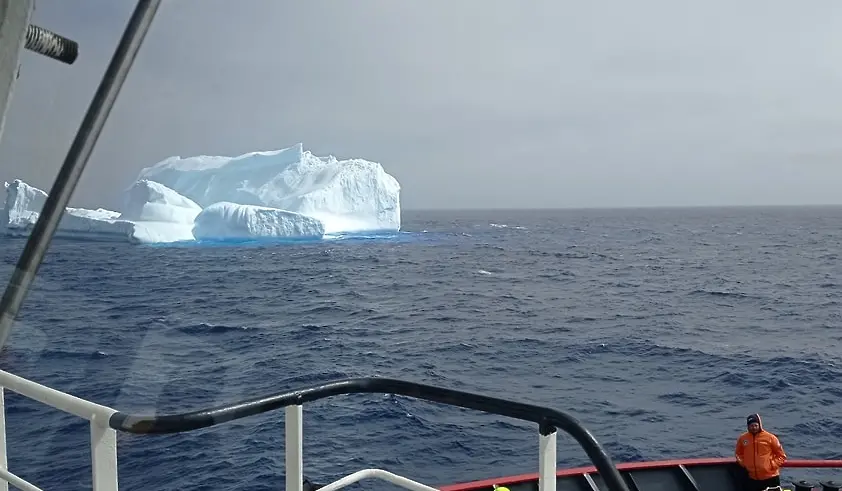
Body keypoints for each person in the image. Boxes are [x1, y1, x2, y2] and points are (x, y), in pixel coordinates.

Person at [735, 413, 787, 491]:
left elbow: (781, 456)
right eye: (751, 426)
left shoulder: (770, 438)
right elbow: (738, 453)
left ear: (759, 425)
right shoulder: (743, 438)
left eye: (756, 425)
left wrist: (771, 465)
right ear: (748, 426)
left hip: (771, 477)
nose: (754, 428)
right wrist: (744, 464)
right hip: (752, 478)